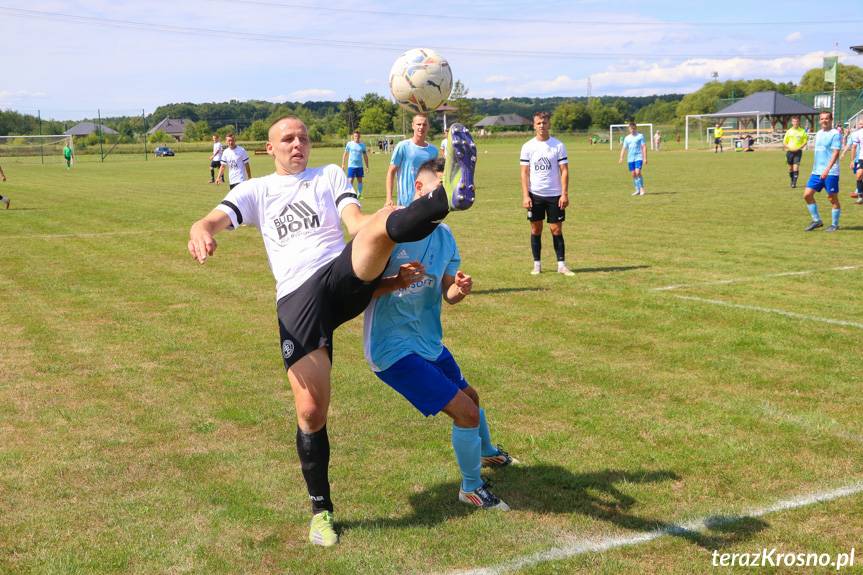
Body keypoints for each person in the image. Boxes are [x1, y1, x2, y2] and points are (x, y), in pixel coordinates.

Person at [187, 117, 476, 547]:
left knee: (376, 226)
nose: (297, 144)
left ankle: (441, 198)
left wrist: (381, 221)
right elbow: (214, 220)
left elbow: (356, 223)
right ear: (270, 149)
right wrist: (200, 230)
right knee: (310, 412)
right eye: (288, 139)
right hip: (298, 300)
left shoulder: (329, 175)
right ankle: (321, 512)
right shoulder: (255, 190)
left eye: (303, 137)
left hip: (342, 275)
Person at [364, 158, 515, 512]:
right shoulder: (390, 230)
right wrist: (395, 281)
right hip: (392, 349)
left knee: (471, 399)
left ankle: (487, 452)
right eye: (442, 188)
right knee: (465, 413)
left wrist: (460, 290)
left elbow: (448, 293)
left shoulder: (446, 237)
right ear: (420, 189)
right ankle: (471, 487)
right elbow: (355, 288)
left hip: (427, 342)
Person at [520, 111, 574, 276]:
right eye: (538, 123)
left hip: (555, 195)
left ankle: (561, 265)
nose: (542, 126)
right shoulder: (527, 146)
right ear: (534, 125)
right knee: (536, 229)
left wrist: (564, 194)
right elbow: (524, 173)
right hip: (535, 194)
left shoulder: (558, 145)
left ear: (549, 124)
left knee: (556, 229)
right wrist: (525, 195)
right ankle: (537, 265)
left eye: (544, 123)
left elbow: (564, 171)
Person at [386, 114, 438, 207]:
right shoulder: (403, 146)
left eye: (424, 124)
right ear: (413, 125)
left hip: (427, 202)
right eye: (418, 124)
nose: (421, 127)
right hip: (405, 203)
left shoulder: (433, 151)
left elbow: (436, 176)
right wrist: (389, 198)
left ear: (428, 127)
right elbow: (391, 172)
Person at [803, 111, 842, 232]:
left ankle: (834, 224)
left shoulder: (835, 134)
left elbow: (836, 153)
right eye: (822, 119)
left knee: (832, 198)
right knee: (807, 195)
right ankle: (816, 220)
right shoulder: (819, 133)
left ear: (831, 120)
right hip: (816, 172)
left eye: (826, 119)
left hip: (830, 172)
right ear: (819, 121)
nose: (824, 121)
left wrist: (827, 169)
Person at [619, 121, 647, 196]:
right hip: (630, 158)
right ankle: (637, 189)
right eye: (630, 129)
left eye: (633, 128)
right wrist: (621, 157)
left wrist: (645, 158)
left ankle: (641, 189)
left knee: (638, 172)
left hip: (638, 157)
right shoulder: (627, 138)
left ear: (635, 128)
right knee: (633, 174)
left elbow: (644, 147)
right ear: (629, 129)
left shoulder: (640, 136)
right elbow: (624, 148)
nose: (632, 130)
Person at [341, 130, 369, 199]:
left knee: (360, 180)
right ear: (353, 136)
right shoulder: (349, 144)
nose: (357, 137)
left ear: (360, 136)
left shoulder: (362, 145)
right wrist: (343, 164)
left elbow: (365, 156)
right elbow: (345, 154)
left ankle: (359, 194)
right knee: (350, 181)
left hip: (359, 166)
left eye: (358, 136)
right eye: (355, 136)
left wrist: (367, 166)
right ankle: (350, 194)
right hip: (351, 166)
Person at [783, 116, 808, 188]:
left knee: (796, 167)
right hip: (789, 152)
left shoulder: (802, 131)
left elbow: (805, 141)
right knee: (790, 168)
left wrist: (799, 147)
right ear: (792, 122)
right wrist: (789, 147)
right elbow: (784, 142)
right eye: (794, 121)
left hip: (798, 152)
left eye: (797, 121)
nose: (795, 123)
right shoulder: (789, 131)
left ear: (799, 122)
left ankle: (794, 183)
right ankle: (792, 180)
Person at [846, 119, 863, 205]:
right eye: (860, 124)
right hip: (861, 157)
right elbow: (854, 147)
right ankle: (860, 197)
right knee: (859, 175)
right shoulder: (858, 133)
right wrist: (852, 160)